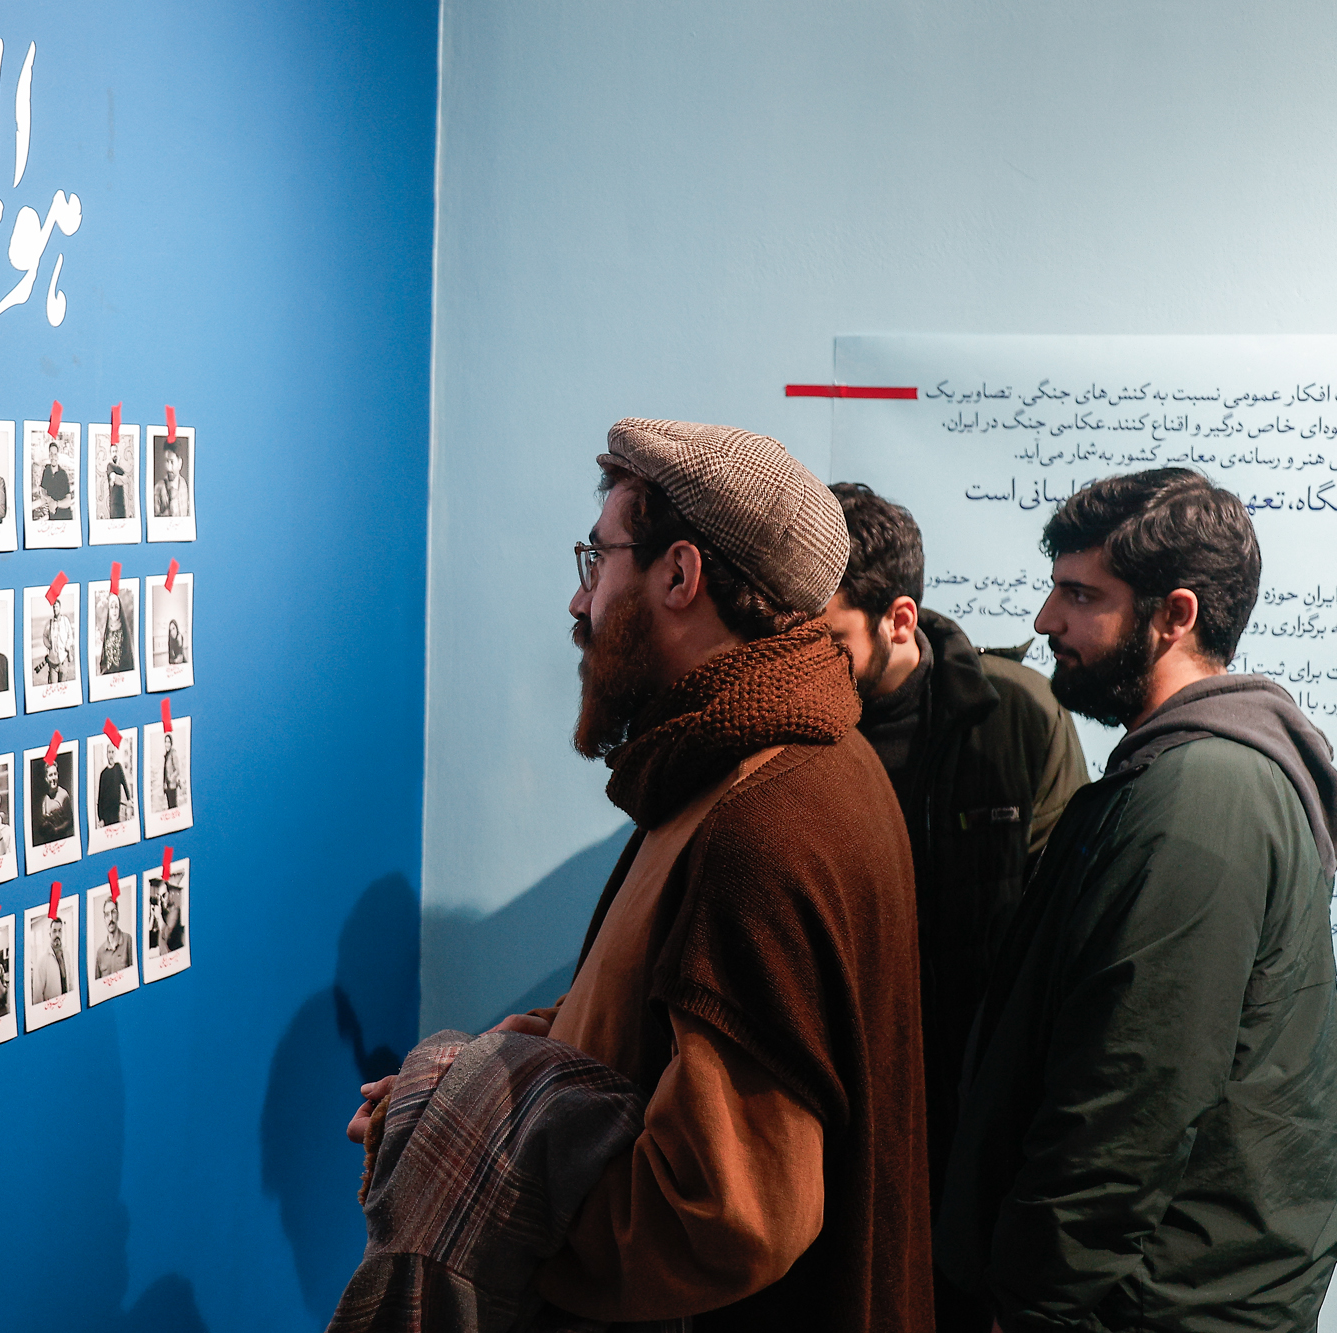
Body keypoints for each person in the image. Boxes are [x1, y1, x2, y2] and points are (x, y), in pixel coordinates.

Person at [353, 419, 932, 1330]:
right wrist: (459, 1094)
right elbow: (649, 1010)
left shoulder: (763, 821)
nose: (579, 601)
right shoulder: (773, 761)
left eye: (599, 559)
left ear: (679, 574)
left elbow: (723, 1216)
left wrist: (479, 1179)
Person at [939, 469, 1337, 1333]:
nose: (1045, 621)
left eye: (1080, 595)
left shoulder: (1201, 798)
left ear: (1175, 615)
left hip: (1152, 1306)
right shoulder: (1172, 774)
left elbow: (1128, 1103)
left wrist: (1033, 1304)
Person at [822, 485, 1089, 1331]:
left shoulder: (1019, 716)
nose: (805, 667)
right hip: (840, 1131)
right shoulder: (797, 732)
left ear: (899, 619)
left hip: (976, 1141)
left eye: (828, 643)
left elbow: (1062, 946)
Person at [28, 915, 71, 1004]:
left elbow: (70, 981)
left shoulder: (67, 954)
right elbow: (37, 994)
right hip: (51, 1008)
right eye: (54, 931)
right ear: (50, 934)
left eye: (60, 931)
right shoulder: (42, 960)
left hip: (67, 1004)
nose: (57, 935)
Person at [33, 759, 73, 845]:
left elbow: (70, 821)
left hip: (62, 841)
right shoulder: (44, 798)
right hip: (48, 842)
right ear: (46, 778)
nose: (54, 778)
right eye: (50, 775)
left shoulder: (63, 795)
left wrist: (56, 830)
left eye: (55, 774)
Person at [31, 613, 75, 687]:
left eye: (57, 607)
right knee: (53, 687)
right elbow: (45, 636)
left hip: (63, 660)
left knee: (62, 687)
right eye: (54, 607)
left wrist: (68, 645)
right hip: (52, 662)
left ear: (59, 608)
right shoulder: (50, 623)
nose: (55, 609)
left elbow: (70, 635)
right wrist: (49, 645)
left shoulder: (65, 621)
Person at [98, 589, 135, 675]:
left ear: (119, 610)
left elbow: (128, 657)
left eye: (116, 607)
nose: (114, 610)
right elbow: (104, 657)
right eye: (111, 607)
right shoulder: (107, 632)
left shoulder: (124, 631)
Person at [148, 871, 185, 955]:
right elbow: (152, 938)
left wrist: (159, 916)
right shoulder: (163, 913)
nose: (162, 899)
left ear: (170, 894)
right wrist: (153, 916)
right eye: (159, 896)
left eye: (164, 895)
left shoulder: (175, 911)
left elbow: (167, 936)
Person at [94, 899, 133, 979]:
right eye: (107, 914)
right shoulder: (100, 953)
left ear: (118, 915)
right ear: (104, 919)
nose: (110, 918)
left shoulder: (128, 940)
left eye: (113, 912)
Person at [35, 439, 73, 520]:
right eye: (51, 454)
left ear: (58, 456)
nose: (53, 457)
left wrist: (55, 504)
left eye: (55, 454)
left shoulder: (63, 474)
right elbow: (42, 489)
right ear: (49, 455)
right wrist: (48, 498)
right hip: (52, 517)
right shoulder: (46, 471)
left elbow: (68, 501)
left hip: (65, 516)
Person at [97, 744, 133, 829]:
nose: (111, 755)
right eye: (109, 752)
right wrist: (101, 818)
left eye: (112, 752)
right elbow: (100, 798)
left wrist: (129, 799)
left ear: (115, 754)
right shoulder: (103, 774)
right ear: (107, 754)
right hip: (106, 813)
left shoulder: (118, 768)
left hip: (116, 811)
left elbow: (124, 784)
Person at [152, 438, 191, 517]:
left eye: (172, 462)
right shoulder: (158, 488)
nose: (168, 468)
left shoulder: (185, 485)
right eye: (166, 461)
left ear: (180, 463)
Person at [105, 436, 129, 519]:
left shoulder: (120, 469)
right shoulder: (110, 466)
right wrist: (120, 479)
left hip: (121, 503)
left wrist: (119, 479)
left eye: (116, 451)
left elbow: (126, 480)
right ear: (110, 453)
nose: (114, 453)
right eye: (113, 451)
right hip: (114, 503)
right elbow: (114, 478)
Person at [158, 732, 182, 813]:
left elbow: (177, 770)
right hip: (167, 788)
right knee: (170, 808)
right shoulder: (166, 755)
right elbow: (165, 772)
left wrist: (171, 779)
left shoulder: (173, 753)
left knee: (173, 808)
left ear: (171, 743)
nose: (167, 744)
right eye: (165, 742)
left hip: (172, 787)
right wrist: (164, 785)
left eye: (168, 742)